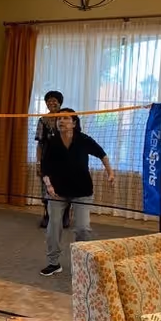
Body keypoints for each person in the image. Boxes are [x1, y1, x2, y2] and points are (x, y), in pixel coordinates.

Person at [39, 108, 114, 277]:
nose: (61, 121)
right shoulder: (52, 142)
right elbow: (45, 168)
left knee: (82, 228)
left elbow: (102, 154)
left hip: (82, 191)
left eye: (65, 118)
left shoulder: (83, 139)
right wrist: (49, 186)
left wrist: (110, 172)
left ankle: (82, 264)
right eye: (59, 118)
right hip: (57, 191)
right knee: (53, 226)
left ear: (74, 123)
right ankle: (53, 263)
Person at [34, 91, 70, 229]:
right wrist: (38, 163)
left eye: (54, 100)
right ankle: (47, 215)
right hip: (46, 161)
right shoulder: (42, 120)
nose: (51, 103)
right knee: (46, 189)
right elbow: (40, 144)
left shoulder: (65, 118)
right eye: (48, 101)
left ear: (60, 102)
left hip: (64, 162)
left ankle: (65, 215)